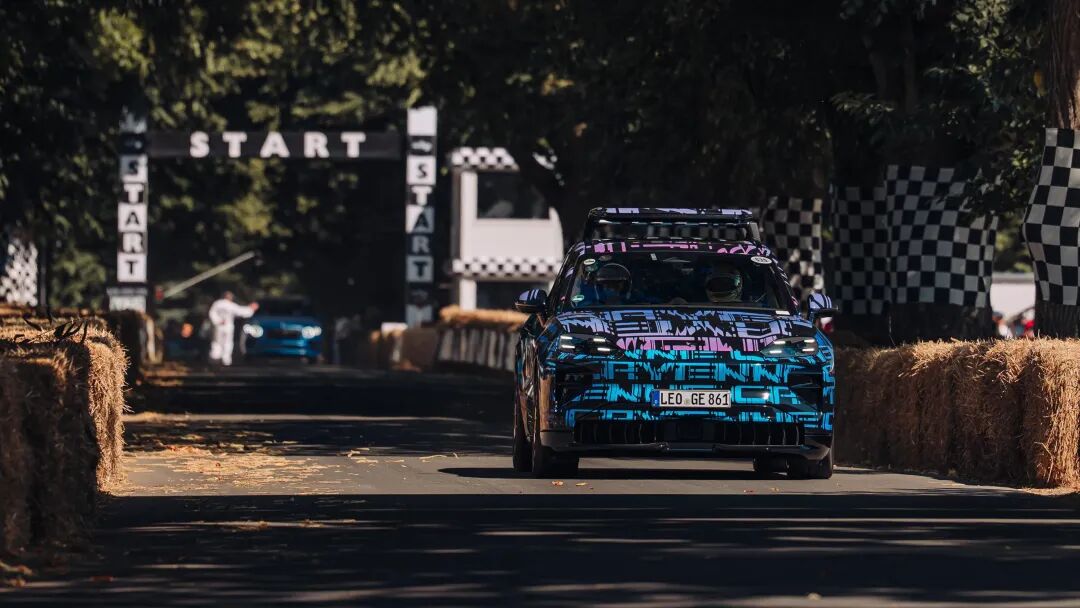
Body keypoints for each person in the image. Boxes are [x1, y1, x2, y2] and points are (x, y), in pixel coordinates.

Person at [208, 291, 258, 366]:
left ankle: (216, 358)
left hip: (219, 326)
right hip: (228, 326)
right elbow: (241, 311)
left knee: (217, 342)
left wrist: (218, 321)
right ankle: (225, 360)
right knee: (227, 343)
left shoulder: (217, 303)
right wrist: (251, 309)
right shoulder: (231, 305)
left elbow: (212, 313)